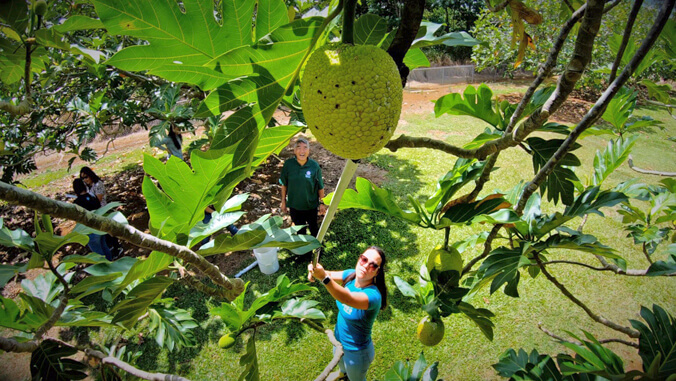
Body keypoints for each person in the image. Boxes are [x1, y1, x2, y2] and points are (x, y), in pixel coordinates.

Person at [308, 247, 388, 381]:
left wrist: (323, 277)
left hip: (357, 353)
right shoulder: (351, 275)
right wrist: (314, 269)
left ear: (377, 272)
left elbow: (347, 298)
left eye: (373, 265)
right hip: (339, 341)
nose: (366, 265)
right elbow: (327, 274)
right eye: (364, 259)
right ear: (359, 259)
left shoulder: (373, 296)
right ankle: (342, 373)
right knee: (341, 365)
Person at [279, 137, 326, 237]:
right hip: (295, 205)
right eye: (299, 148)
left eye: (305, 148)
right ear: (295, 151)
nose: (302, 151)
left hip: (311, 205)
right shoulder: (288, 165)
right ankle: (304, 252)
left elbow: (320, 186)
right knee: (300, 230)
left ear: (309, 151)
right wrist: (283, 201)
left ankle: (317, 249)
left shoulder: (314, 166)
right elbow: (284, 184)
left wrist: (322, 203)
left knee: (314, 228)